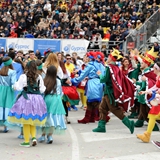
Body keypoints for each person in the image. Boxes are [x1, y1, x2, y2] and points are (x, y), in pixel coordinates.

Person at [92, 49, 136, 133]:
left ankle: (129, 123)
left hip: (110, 93)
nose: (107, 58)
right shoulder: (114, 67)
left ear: (111, 58)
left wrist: (100, 74)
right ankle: (101, 127)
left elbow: (104, 79)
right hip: (107, 92)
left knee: (114, 109)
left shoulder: (110, 68)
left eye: (108, 57)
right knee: (102, 108)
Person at [7, 61, 47, 147]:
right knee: (32, 120)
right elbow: (43, 89)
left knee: (26, 121)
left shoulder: (23, 76)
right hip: (37, 99)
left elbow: (18, 87)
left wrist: (14, 86)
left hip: (26, 99)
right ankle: (33, 138)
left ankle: (26, 141)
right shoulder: (39, 76)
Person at [71, 51, 105, 124]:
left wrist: (73, 80)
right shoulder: (101, 65)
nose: (86, 58)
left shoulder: (90, 65)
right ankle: (91, 118)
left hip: (93, 83)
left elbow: (82, 76)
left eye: (87, 56)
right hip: (100, 83)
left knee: (92, 102)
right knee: (94, 101)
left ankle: (102, 117)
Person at [38, 65, 66, 144]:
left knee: (45, 117)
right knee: (53, 118)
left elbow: (42, 92)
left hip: (47, 98)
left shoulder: (44, 80)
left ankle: (43, 135)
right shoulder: (58, 81)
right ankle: (50, 136)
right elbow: (60, 92)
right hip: (56, 99)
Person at [137, 61, 160, 143]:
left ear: (157, 69)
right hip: (158, 101)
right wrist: (145, 92)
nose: (152, 69)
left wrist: (157, 92)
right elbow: (155, 87)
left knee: (153, 116)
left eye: (154, 67)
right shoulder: (158, 77)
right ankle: (147, 135)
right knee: (152, 116)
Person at [0, 57, 16, 132]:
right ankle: (6, 126)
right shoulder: (12, 72)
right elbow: (13, 82)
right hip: (9, 90)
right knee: (7, 106)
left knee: (1, 106)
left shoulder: (1, 70)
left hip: (1, 89)